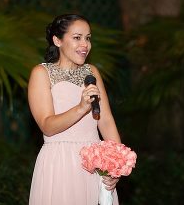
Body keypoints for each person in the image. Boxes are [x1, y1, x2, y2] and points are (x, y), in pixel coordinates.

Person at [28, 14, 122, 204]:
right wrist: (80, 108)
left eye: (88, 38)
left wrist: (116, 164)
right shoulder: (41, 73)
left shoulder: (92, 72)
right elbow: (47, 125)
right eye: (77, 37)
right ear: (57, 40)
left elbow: (105, 121)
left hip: (95, 163)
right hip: (60, 163)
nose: (85, 44)